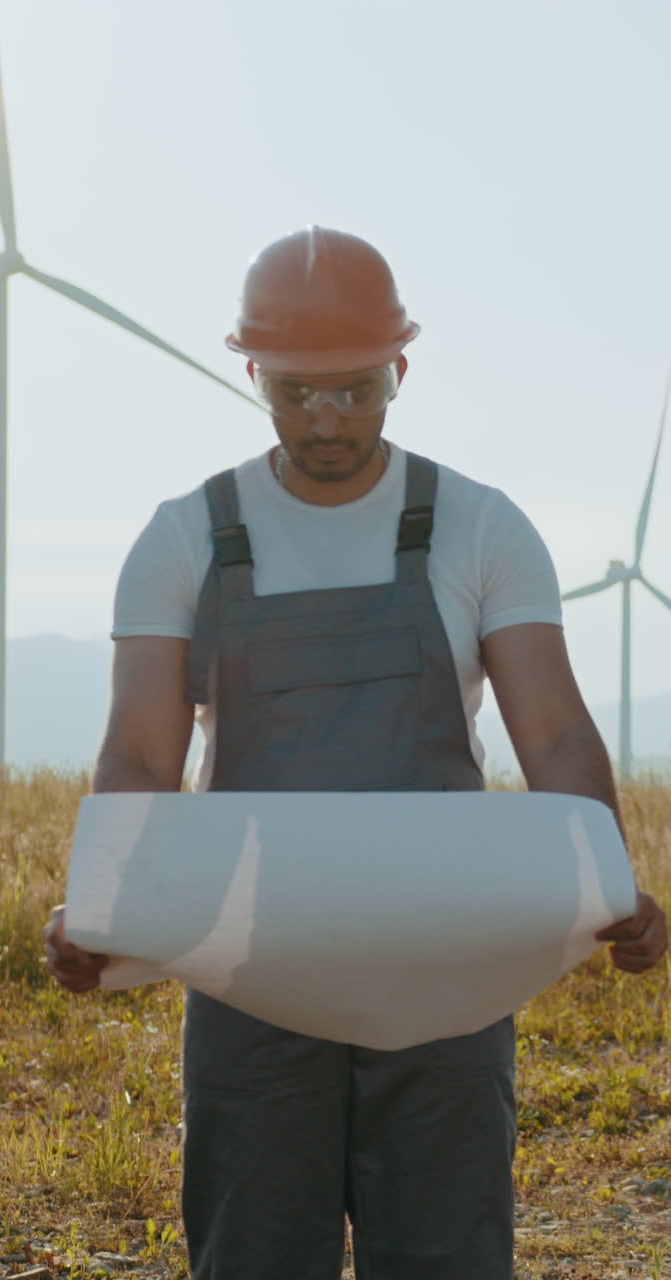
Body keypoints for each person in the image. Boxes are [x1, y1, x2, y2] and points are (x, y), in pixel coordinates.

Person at [46, 226, 668, 1280]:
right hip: (246, 958)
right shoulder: (186, 534)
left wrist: (605, 878)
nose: (326, 419)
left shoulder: (479, 525)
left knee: (445, 1249)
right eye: (295, 392)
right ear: (252, 372)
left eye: (354, 390)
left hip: (445, 956)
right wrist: (105, 902)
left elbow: (554, 729)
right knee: (255, 1250)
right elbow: (142, 754)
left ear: (399, 373)